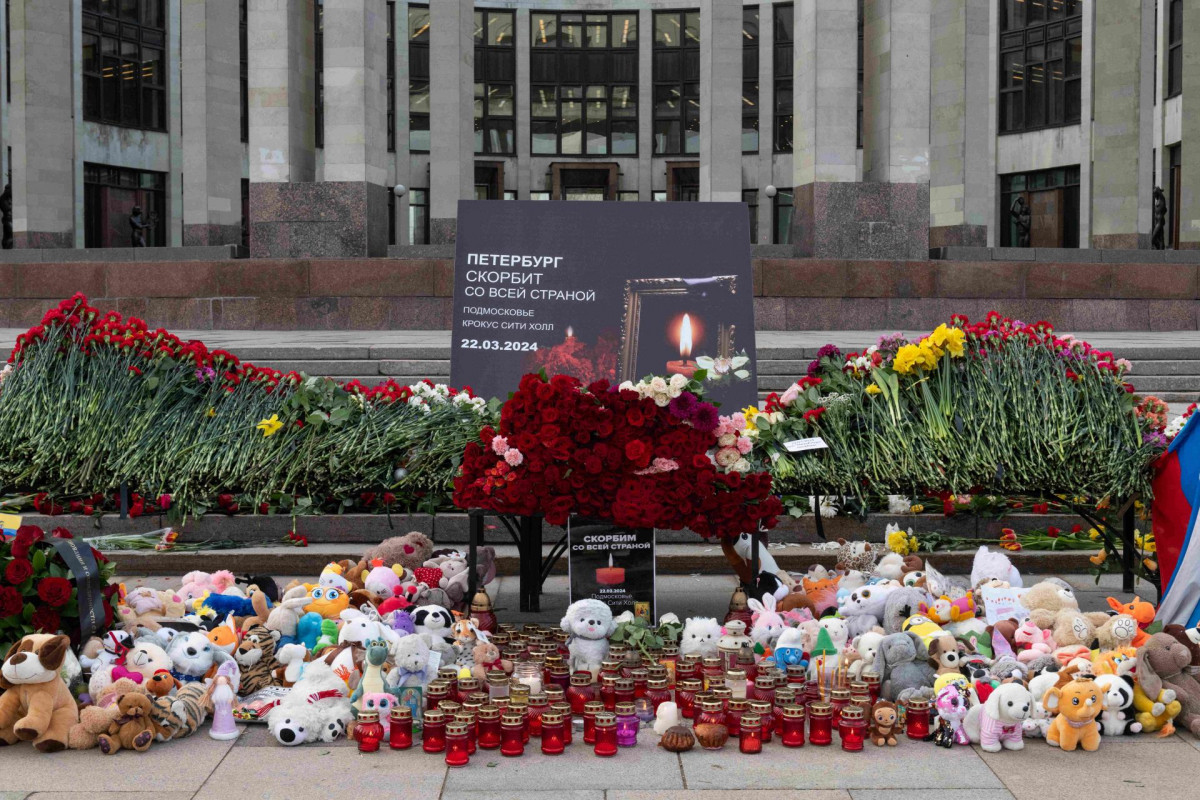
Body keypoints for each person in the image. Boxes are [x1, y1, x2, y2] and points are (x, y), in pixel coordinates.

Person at [1152, 185, 1167, 250]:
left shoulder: (1162, 198)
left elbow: (1158, 192)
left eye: (1154, 194)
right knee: (1161, 238)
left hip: (1159, 222)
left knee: (1153, 239)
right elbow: (1165, 210)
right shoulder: (1158, 200)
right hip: (1157, 221)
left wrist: (1158, 189)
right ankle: (1161, 251)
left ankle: (1159, 250)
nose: (1154, 196)